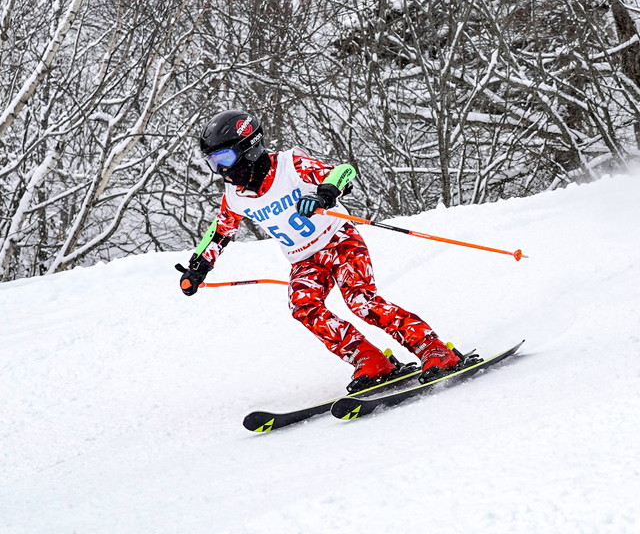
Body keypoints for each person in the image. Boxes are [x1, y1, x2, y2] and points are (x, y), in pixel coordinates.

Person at [177, 109, 461, 391]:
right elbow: (221, 230)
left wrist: (323, 193)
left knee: (361, 302)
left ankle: (432, 348)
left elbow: (342, 172)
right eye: (213, 163)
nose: (222, 171)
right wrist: (198, 266)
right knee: (303, 307)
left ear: (249, 148)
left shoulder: (290, 166)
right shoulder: (235, 196)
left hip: (338, 241)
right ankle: (370, 359)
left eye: (224, 158)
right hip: (303, 260)